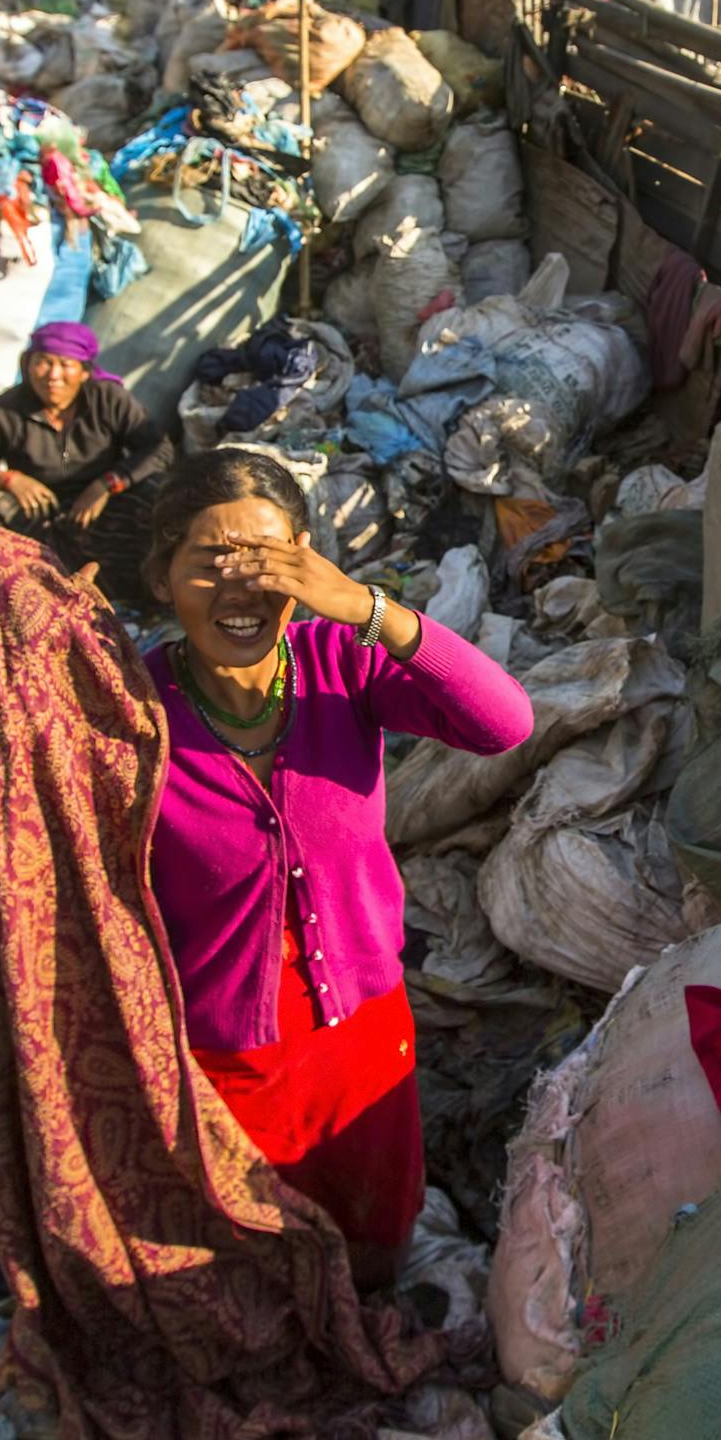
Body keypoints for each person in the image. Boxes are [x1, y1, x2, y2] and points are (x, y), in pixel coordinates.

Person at [139, 449, 534, 1284]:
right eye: (210, 566)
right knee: (255, 1266)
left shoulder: (339, 662)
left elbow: (504, 722)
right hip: (224, 1061)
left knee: (372, 1238)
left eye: (268, 561)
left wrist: (365, 608)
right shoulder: (132, 719)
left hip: (364, 1032)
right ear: (163, 579)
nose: (241, 590)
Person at [0, 322, 170, 589]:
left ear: (84, 372)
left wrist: (107, 484)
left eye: (65, 364)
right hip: (37, 511)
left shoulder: (108, 399)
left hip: (100, 507)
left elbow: (158, 448)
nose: (53, 375)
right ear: (27, 365)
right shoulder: (3, 412)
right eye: (44, 362)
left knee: (159, 491)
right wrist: (7, 479)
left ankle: (152, 590)